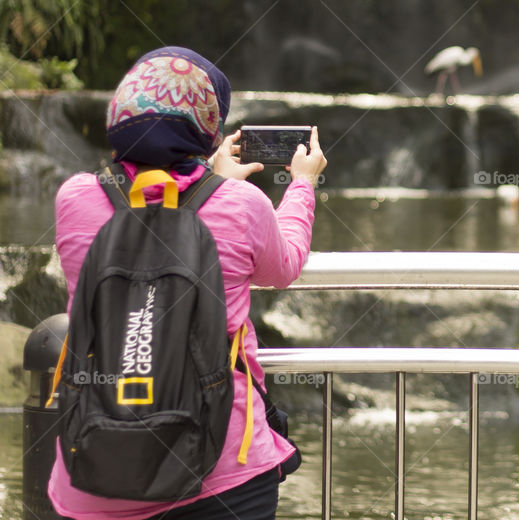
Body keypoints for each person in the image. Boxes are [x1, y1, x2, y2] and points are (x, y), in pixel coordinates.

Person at [48, 46, 327, 520]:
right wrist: (301, 183)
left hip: (94, 470)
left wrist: (208, 181)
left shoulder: (75, 197)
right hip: (224, 471)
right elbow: (284, 266)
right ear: (207, 130)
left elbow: (153, 206)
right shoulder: (241, 203)